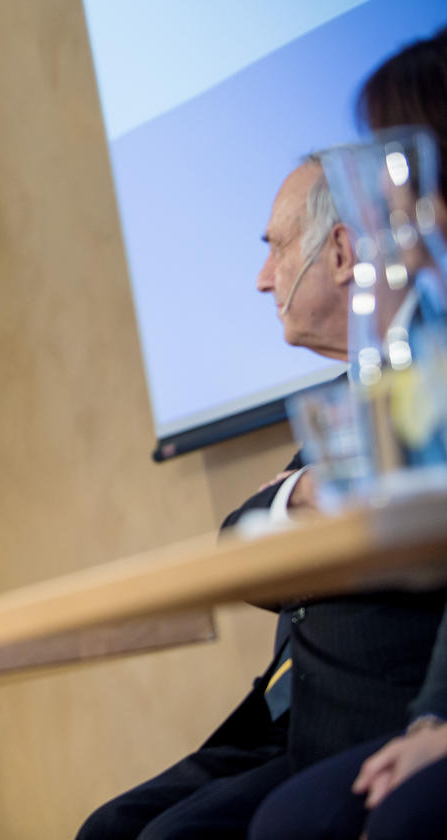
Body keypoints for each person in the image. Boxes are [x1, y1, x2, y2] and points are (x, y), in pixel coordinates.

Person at [75, 156, 447, 840]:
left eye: (275, 248)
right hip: (284, 718)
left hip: (371, 715)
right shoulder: (353, 393)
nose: (261, 278)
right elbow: (244, 538)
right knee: (109, 829)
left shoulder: (423, 383)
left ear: (338, 251)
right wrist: (309, 490)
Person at [246, 26, 447, 840]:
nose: (392, 206)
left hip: (383, 702)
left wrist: (435, 722)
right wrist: (309, 493)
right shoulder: (389, 375)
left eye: (403, 166)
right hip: (310, 718)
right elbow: (243, 543)